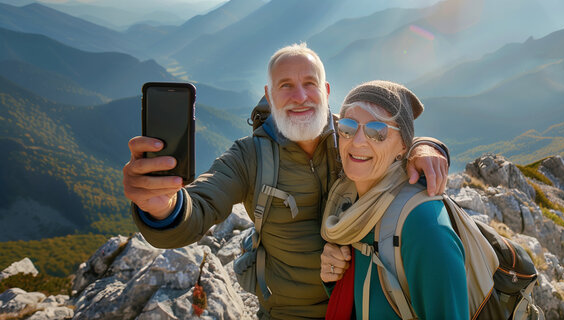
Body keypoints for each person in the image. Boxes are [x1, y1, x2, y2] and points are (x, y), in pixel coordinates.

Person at [122, 43, 450, 320]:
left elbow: (392, 138)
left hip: (364, 301)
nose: (300, 96)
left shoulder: (352, 138)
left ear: (326, 91)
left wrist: (427, 147)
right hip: (288, 312)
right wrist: (163, 208)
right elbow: (201, 205)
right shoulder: (249, 156)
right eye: (285, 86)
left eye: (310, 83)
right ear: (269, 94)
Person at [319, 80, 468, 319]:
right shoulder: (348, 207)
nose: (357, 141)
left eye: (377, 132)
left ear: (404, 146)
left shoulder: (424, 225)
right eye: (347, 126)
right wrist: (334, 276)